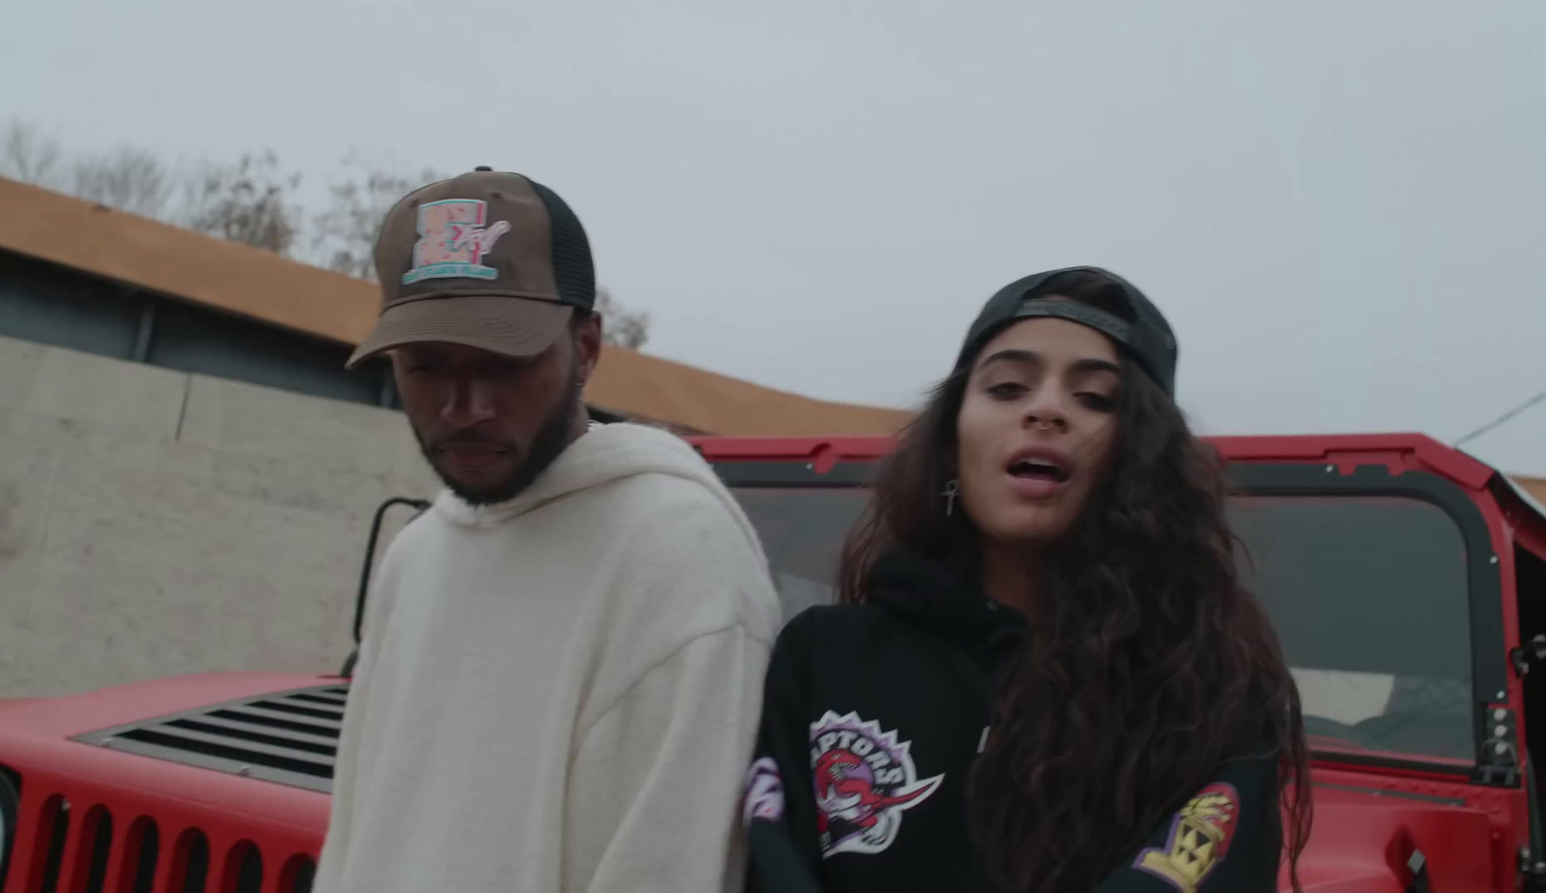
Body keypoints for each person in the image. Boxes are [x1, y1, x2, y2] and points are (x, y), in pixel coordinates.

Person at [743, 267, 1311, 892]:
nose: (1045, 410)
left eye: (1095, 398)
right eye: (1008, 386)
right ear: (951, 439)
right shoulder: (825, 655)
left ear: (1144, 457)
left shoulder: (1216, 691)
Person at [315, 167, 781, 893]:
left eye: (504, 363)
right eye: (425, 365)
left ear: (588, 346)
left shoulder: (679, 556)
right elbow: (357, 831)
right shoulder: (418, 551)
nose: (464, 405)